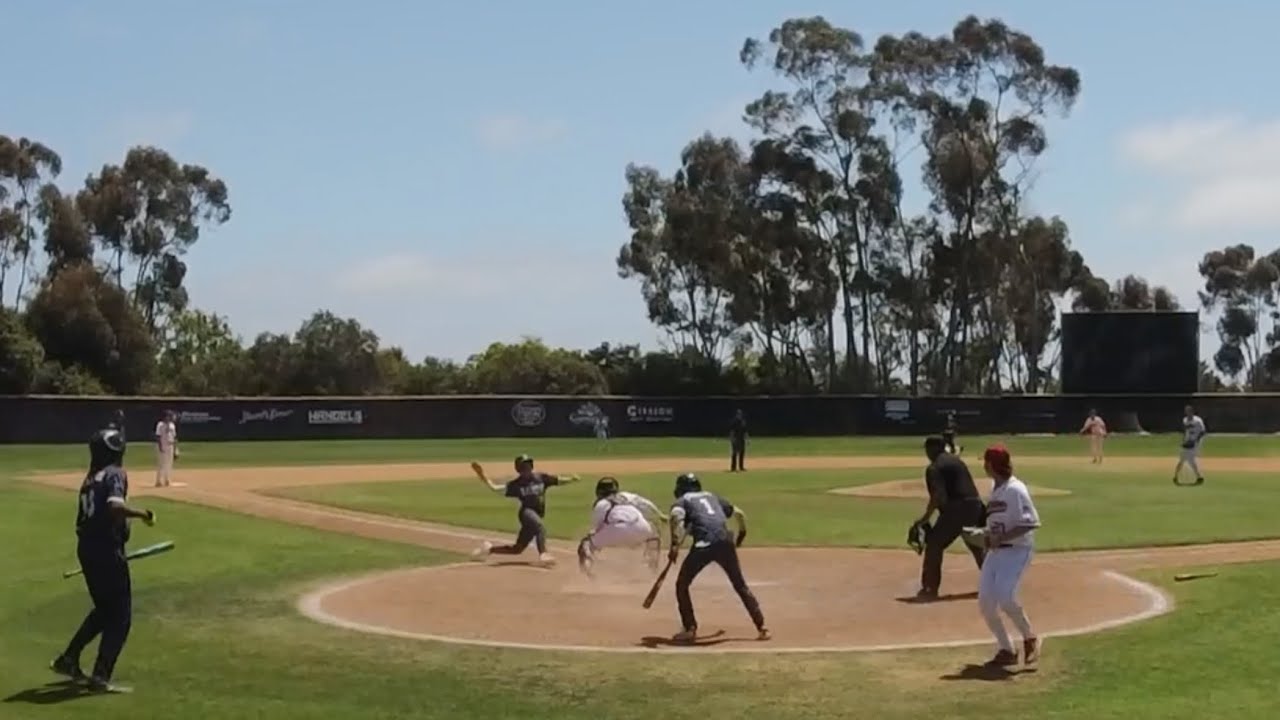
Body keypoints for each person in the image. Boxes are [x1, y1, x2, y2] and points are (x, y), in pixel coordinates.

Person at [50, 427, 156, 694]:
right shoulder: (115, 474)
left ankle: (69, 659)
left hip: (87, 548)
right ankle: (101, 675)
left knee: (104, 610)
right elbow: (114, 508)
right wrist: (142, 514)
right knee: (121, 617)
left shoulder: (90, 478)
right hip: (106, 551)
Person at [667, 473, 768, 642]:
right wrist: (741, 534)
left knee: (682, 584)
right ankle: (762, 627)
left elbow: (675, 517)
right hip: (725, 542)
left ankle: (690, 628)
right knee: (740, 585)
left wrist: (674, 545)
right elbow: (740, 514)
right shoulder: (712, 497)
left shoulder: (682, 501)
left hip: (704, 545)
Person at [971, 444, 1041, 668]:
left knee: (1006, 596)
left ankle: (1030, 637)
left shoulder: (1015, 489)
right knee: (985, 602)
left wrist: (1001, 538)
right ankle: (1006, 649)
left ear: (990, 465)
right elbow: (999, 523)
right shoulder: (997, 489)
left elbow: (1031, 522)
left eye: (985, 462)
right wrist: (984, 534)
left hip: (1017, 550)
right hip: (996, 552)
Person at [469, 454, 580, 566]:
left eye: (528, 466)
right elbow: (495, 488)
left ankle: (488, 550)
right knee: (540, 527)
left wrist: (571, 479)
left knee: (517, 549)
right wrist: (482, 475)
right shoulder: (516, 485)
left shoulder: (541, 478)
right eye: (524, 467)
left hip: (537, 514)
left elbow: (557, 481)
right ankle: (544, 554)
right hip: (526, 513)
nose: (527, 469)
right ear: (519, 469)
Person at [914, 436, 986, 600]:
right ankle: (997, 584)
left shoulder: (934, 467)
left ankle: (929, 588)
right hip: (975, 506)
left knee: (934, 544)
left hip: (957, 509)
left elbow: (938, 496)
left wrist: (925, 519)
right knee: (976, 545)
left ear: (931, 449)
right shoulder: (956, 461)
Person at [576, 476, 665, 577]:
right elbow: (645, 503)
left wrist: (592, 540)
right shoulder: (625, 496)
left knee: (585, 544)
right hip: (642, 528)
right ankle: (653, 569)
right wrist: (660, 514)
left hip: (617, 530)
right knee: (654, 533)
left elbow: (596, 528)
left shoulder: (600, 504)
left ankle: (587, 574)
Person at [1173, 405, 1207, 485]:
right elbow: (1185, 431)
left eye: (1189, 411)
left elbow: (1203, 431)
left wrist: (1195, 441)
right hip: (1187, 442)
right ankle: (1176, 477)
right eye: (1186, 411)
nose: (1188, 413)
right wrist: (1184, 441)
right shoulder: (1185, 420)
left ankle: (1176, 477)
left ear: (1192, 411)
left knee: (1187, 459)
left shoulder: (1198, 420)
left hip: (1195, 443)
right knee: (1186, 459)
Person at [154, 410, 178, 488]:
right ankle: (158, 481)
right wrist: (160, 446)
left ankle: (167, 480)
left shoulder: (172, 425)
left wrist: (175, 449)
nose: (171, 418)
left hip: (170, 445)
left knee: (169, 464)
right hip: (163, 445)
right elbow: (158, 436)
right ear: (166, 416)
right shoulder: (160, 424)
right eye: (169, 416)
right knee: (161, 463)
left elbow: (174, 437)